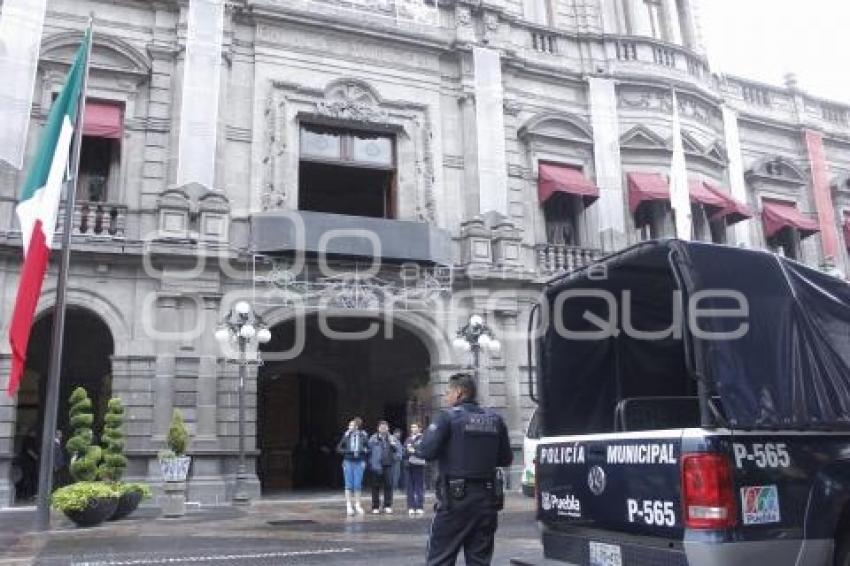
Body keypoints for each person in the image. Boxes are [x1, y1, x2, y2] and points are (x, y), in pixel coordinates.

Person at [416, 373, 513, 566]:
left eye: (448, 392)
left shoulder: (448, 418)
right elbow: (506, 458)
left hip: (455, 501)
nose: (445, 397)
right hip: (487, 500)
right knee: (479, 560)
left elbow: (425, 451)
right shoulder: (495, 419)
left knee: (440, 558)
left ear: (459, 392)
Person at [336, 417, 369, 516]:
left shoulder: (363, 435)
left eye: (351, 425)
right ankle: (349, 505)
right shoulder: (346, 436)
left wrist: (364, 451)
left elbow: (368, 448)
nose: (349, 427)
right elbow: (339, 448)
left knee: (358, 484)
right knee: (348, 484)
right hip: (348, 461)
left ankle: (358, 504)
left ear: (356, 426)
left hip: (359, 461)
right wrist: (348, 452)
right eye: (349, 425)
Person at [367, 420, 401, 514]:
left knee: (388, 486)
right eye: (381, 427)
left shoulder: (392, 438)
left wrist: (395, 453)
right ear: (378, 429)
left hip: (389, 465)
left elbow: (398, 450)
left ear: (388, 428)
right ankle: (375, 507)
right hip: (376, 465)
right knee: (375, 487)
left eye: (385, 427)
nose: (383, 429)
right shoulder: (373, 438)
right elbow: (368, 451)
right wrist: (371, 463)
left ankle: (387, 505)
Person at [404, 422, 426, 515]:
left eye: (415, 427)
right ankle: (411, 506)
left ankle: (419, 506)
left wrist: (414, 450)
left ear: (420, 428)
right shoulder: (408, 439)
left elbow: (424, 449)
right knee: (410, 486)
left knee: (419, 486)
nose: (413, 428)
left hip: (419, 464)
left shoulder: (423, 438)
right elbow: (404, 450)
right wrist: (407, 450)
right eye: (412, 427)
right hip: (409, 464)